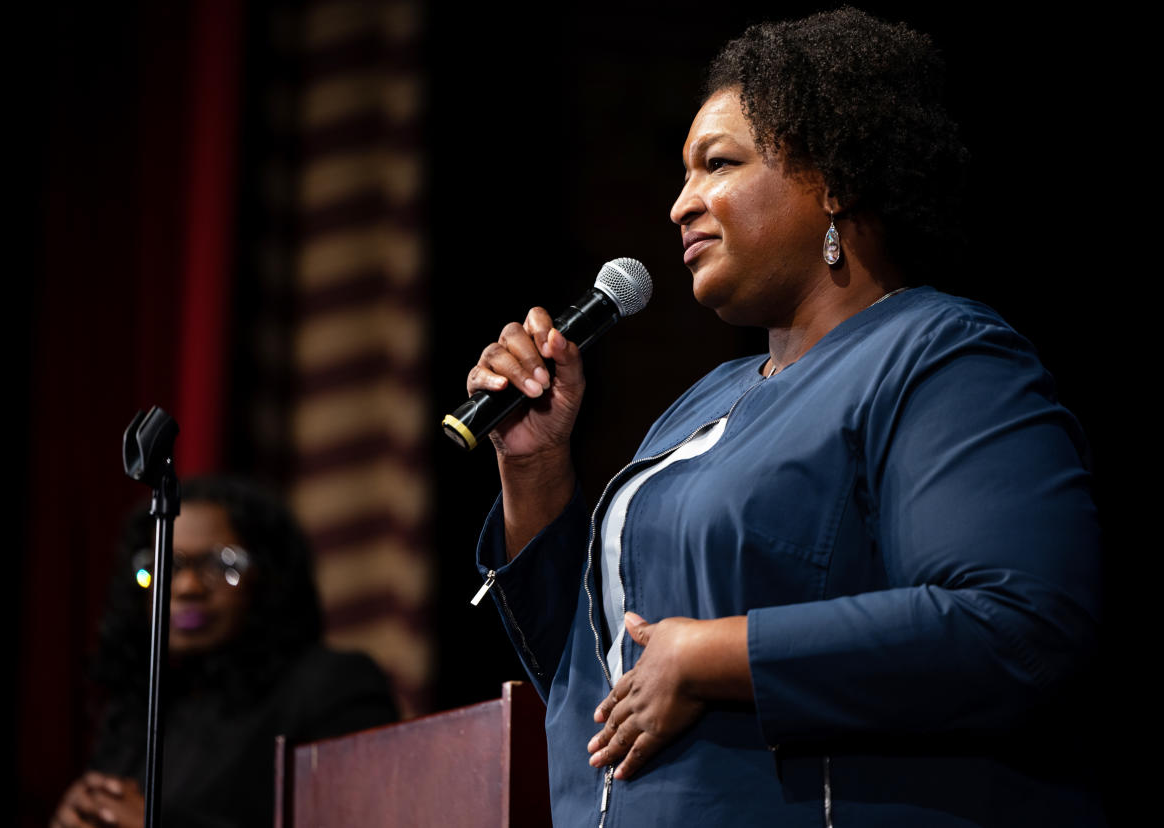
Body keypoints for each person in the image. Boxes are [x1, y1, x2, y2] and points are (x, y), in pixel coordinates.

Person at [465, 8, 1102, 827]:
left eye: (716, 165)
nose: (679, 206)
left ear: (833, 176)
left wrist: (715, 653)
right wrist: (535, 465)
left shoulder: (941, 354)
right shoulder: (701, 405)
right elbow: (597, 684)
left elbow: (1019, 624)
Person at [52, 477, 397, 828]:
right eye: (166, 567)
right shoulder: (140, 707)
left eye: (222, 565)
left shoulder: (331, 685)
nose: (189, 587)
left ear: (269, 576)